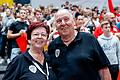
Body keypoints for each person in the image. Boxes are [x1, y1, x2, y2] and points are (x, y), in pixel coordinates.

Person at [48, 9, 112, 80]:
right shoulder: (52, 46)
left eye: (66, 19)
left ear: (73, 22)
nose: (63, 23)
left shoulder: (89, 39)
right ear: (55, 25)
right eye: (59, 21)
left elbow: (103, 70)